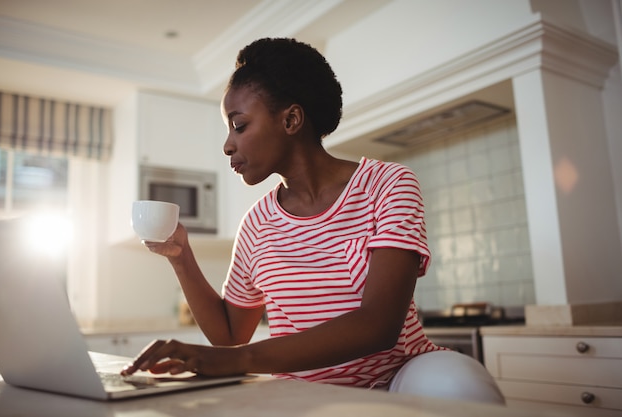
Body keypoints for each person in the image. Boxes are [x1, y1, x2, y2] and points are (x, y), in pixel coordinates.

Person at [122, 37, 504, 403]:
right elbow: (230, 336)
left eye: (239, 125)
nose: (228, 145)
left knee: (458, 384)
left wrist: (242, 361)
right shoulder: (256, 224)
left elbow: (379, 325)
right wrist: (181, 257)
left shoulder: (388, 185)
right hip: (305, 393)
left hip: (399, 378)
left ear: (291, 120)